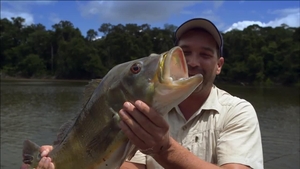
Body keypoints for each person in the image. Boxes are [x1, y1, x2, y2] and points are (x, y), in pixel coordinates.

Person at [21, 18, 264, 169]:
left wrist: (164, 148)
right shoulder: (146, 110)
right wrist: (58, 161)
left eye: (205, 54)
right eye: (185, 52)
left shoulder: (238, 111)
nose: (192, 61)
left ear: (219, 64)